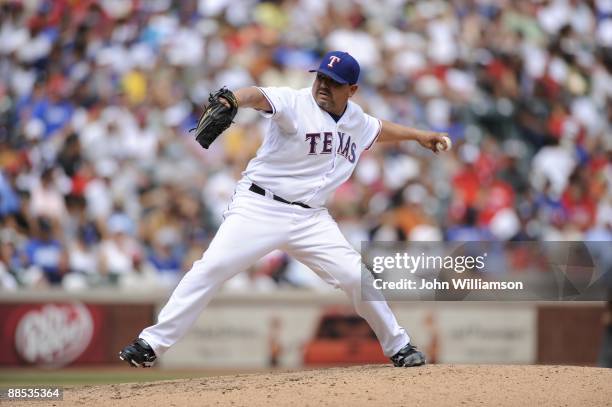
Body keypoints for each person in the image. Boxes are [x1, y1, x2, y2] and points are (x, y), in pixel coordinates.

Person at [119, 51, 450, 368]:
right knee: (211, 268)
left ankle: (399, 347)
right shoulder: (294, 102)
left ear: (352, 90)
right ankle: (151, 344)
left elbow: (377, 129)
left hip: (311, 218)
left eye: (332, 81)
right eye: (320, 77)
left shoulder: (356, 120)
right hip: (261, 206)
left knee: (355, 276)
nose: (322, 84)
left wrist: (419, 135)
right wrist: (232, 99)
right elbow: (256, 95)